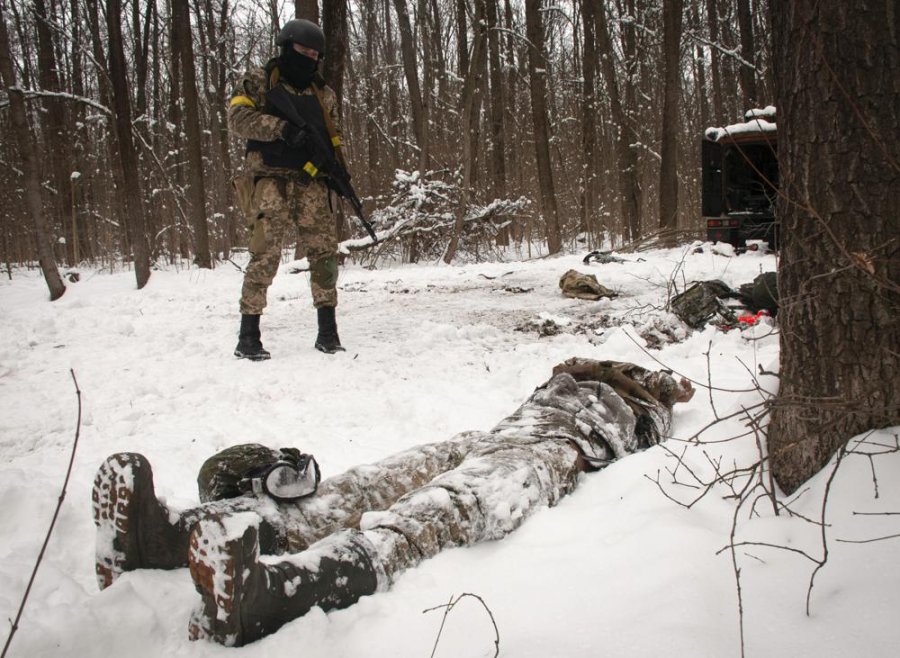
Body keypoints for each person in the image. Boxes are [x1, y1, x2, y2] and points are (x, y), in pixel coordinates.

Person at [92, 359, 693, 646]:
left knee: (444, 508)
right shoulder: (587, 372)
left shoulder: (651, 408)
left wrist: (649, 390)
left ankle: (283, 593)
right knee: (365, 484)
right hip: (495, 433)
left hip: (556, 449)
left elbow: (669, 396)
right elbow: (574, 368)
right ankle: (168, 536)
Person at [228, 19, 348, 359]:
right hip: (269, 180)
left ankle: (328, 331)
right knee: (264, 254)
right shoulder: (259, 81)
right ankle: (248, 335)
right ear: (286, 47)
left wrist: (334, 171)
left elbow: (333, 138)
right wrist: (281, 129)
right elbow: (238, 120)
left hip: (309, 182)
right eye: (303, 51)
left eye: (315, 54)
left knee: (324, 252)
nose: (309, 58)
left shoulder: (323, 94)